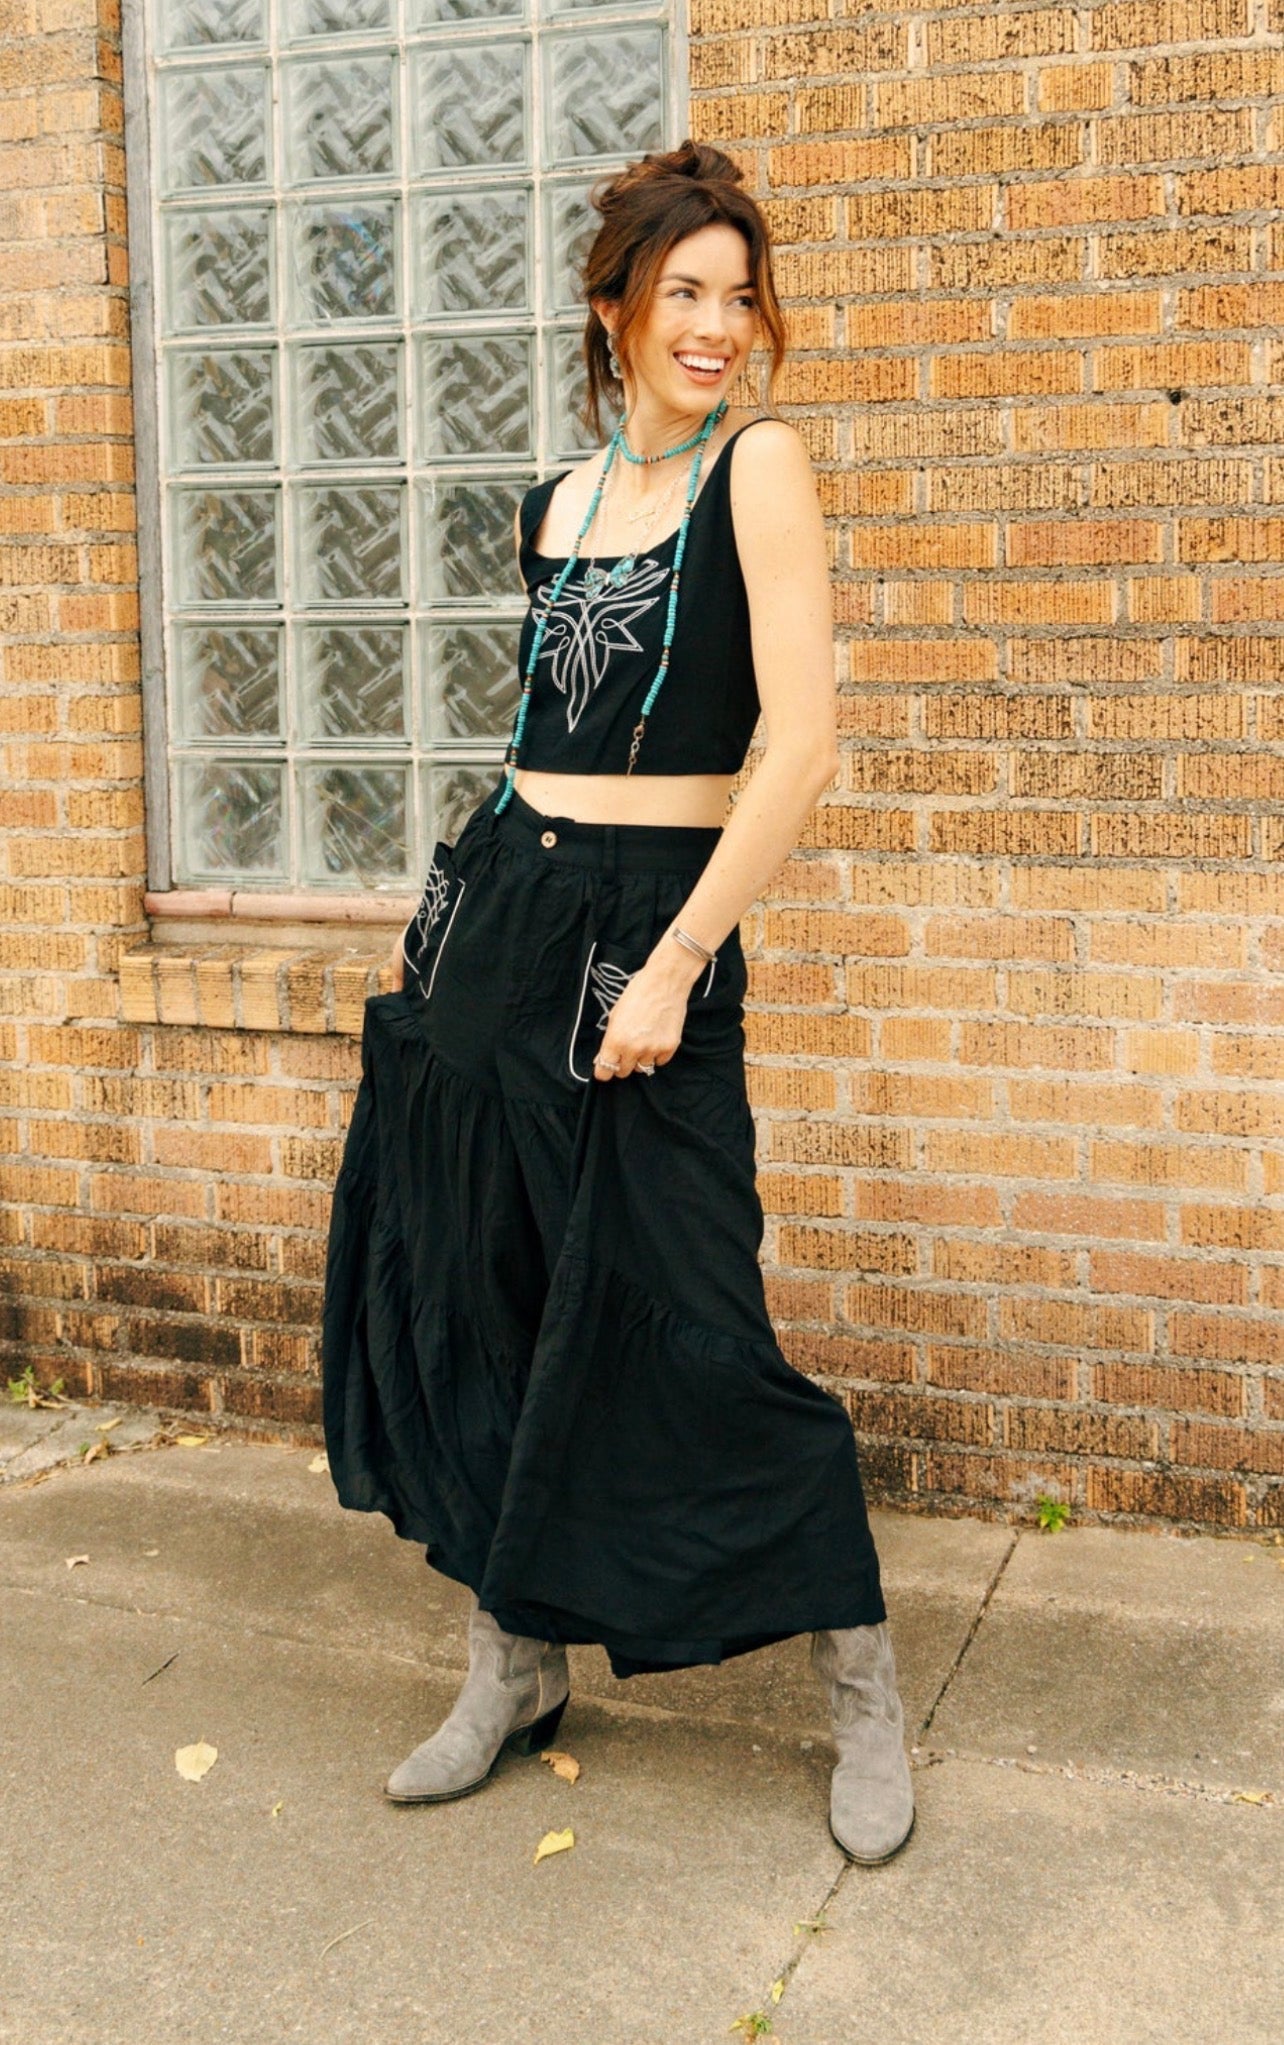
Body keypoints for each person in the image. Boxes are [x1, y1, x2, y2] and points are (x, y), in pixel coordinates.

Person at [321, 139, 915, 1865]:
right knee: (482, 1290)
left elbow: (798, 750)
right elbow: (538, 741)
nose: (717, 325)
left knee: (695, 1314)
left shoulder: (760, 469)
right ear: (617, 310)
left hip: (652, 925)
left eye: (741, 295)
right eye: (684, 293)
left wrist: (675, 963)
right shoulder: (559, 504)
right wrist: (447, 926)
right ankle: (512, 1662)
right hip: (503, 912)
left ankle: (862, 1687)